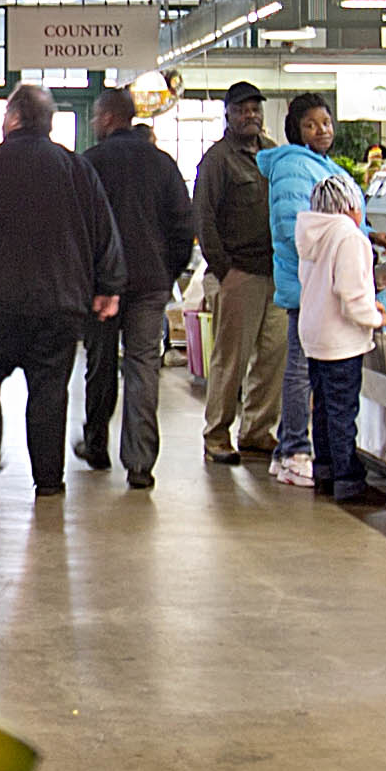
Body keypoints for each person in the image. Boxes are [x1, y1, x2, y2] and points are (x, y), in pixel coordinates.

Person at [0, 82, 122, 495]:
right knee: (49, 390)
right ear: (47, 123)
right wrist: (108, 285)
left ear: (11, 120)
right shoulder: (77, 169)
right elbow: (105, 232)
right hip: (60, 303)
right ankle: (48, 480)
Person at [76, 85, 195, 489]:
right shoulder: (162, 164)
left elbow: (78, 229)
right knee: (144, 367)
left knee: (101, 363)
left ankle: (95, 444)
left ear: (109, 118)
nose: (94, 123)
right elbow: (184, 226)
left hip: (101, 286)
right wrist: (167, 271)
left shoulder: (90, 164)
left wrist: (86, 277)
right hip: (150, 284)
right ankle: (140, 463)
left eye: (96, 116)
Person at [289, 170, 386, 513]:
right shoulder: (350, 238)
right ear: (351, 205)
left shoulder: (312, 233)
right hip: (341, 341)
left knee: (322, 408)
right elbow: (351, 296)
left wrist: (368, 303)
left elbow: (325, 285)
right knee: (342, 411)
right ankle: (349, 481)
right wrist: (380, 318)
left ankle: (325, 473)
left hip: (315, 333)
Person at [194, 84, 287, 463]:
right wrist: (223, 270)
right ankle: (217, 433)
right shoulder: (217, 160)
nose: (251, 115)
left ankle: (257, 431)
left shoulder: (275, 154)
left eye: (255, 109)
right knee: (231, 358)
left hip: (277, 273)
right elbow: (203, 217)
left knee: (273, 355)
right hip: (239, 274)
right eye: (242, 110)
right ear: (228, 115)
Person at [261, 93, 351, 476]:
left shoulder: (318, 165)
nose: (322, 130)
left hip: (317, 281)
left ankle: (288, 447)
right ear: (295, 130)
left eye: (326, 122)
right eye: (311, 124)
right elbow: (294, 226)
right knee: (300, 368)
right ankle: (295, 450)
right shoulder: (294, 167)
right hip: (308, 283)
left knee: (305, 368)